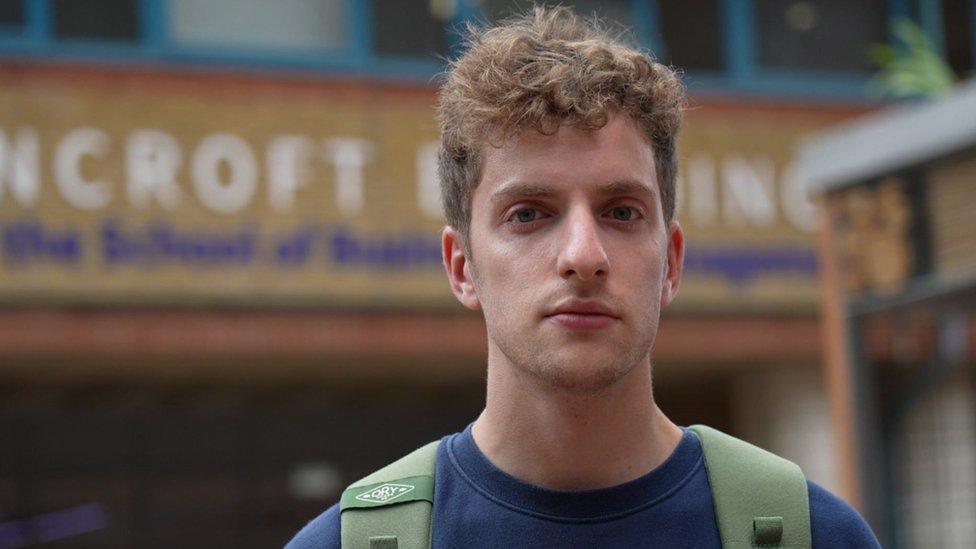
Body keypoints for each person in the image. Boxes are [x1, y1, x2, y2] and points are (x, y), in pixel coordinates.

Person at [287, 6, 881, 548]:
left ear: (671, 262)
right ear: (461, 266)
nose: (583, 254)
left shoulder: (815, 535)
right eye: (529, 214)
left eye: (622, 211)